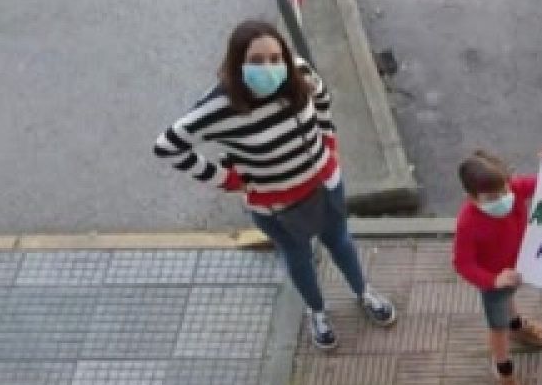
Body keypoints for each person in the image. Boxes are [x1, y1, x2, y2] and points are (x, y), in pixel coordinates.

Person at [153, 20, 395, 350]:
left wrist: (328, 139)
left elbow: (323, 97)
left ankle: (363, 292)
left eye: (274, 58)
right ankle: (317, 313)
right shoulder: (218, 107)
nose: (268, 68)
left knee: (340, 241)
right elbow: (168, 146)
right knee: (298, 257)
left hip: (324, 186)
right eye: (255, 60)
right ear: (237, 62)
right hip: (276, 207)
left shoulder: (298, 73)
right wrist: (226, 180)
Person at [452, 147, 542, 385]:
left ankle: (518, 328)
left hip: (515, 270)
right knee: (497, 326)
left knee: (509, 300)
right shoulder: (467, 223)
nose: (504, 199)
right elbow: (462, 263)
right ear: (471, 197)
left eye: (505, 191)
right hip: (493, 281)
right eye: (492, 197)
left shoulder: (513, 189)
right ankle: (504, 371)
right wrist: (493, 281)